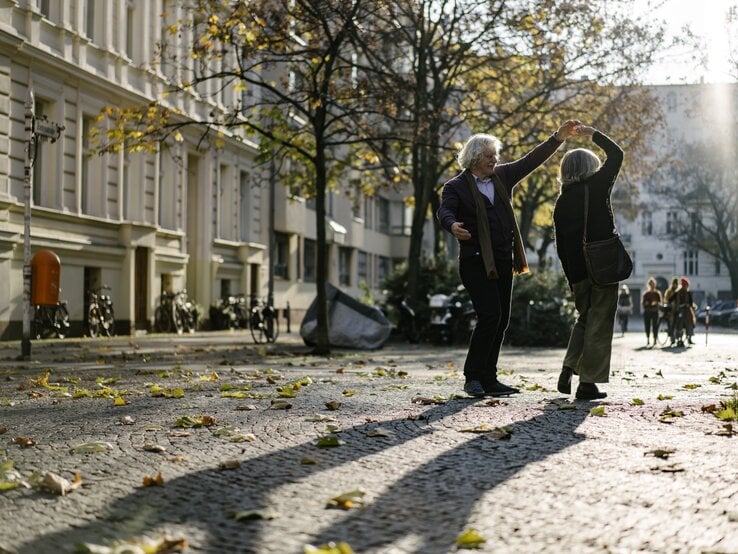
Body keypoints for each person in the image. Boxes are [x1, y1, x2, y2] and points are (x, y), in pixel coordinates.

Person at [437, 120, 582, 397]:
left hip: (503, 259)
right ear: (475, 158)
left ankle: (490, 379)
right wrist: (452, 225)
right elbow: (445, 212)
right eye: (490, 155)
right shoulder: (456, 186)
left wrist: (558, 138)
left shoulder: (502, 177)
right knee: (489, 315)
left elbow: (532, 160)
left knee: (501, 320)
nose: (495, 159)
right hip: (475, 261)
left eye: (495, 155)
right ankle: (472, 377)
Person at [553, 124, 623, 400]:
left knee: (585, 318)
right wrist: (594, 134)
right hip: (603, 267)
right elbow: (616, 155)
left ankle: (569, 365)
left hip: (578, 273)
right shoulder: (597, 186)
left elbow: (561, 247)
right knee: (600, 323)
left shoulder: (562, 201)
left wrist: (572, 279)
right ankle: (587, 383)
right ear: (589, 168)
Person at [670, 277, 696, 346]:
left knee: (690, 323)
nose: (686, 287)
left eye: (687, 286)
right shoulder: (677, 292)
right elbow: (670, 299)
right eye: (686, 286)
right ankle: (679, 339)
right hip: (679, 311)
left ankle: (689, 338)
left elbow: (691, 302)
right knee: (679, 324)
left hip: (687, 311)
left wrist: (689, 305)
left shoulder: (688, 293)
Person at [642, 277, 662, 347]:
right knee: (647, 326)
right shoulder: (646, 294)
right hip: (647, 312)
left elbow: (660, 303)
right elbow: (643, 303)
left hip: (655, 312)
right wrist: (646, 303)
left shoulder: (657, 293)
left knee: (655, 326)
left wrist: (656, 303)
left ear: (655, 285)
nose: (652, 286)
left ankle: (654, 340)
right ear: (649, 285)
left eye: (653, 284)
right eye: (651, 284)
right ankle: (648, 340)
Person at [662, 277, 679, 345]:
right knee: (671, 324)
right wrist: (670, 303)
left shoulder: (678, 291)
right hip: (670, 311)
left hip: (676, 310)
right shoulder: (669, 291)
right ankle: (672, 338)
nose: (675, 285)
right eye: (674, 284)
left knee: (677, 324)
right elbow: (666, 300)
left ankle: (676, 337)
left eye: (676, 284)